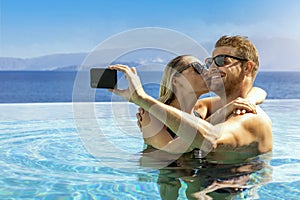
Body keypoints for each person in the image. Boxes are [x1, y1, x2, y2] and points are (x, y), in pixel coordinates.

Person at [108, 35, 272, 163]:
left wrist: (142, 99)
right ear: (176, 80)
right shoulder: (207, 107)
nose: (212, 68)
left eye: (221, 61)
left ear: (247, 67)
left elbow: (210, 138)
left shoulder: (247, 116)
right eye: (210, 62)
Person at [137, 55, 266, 154]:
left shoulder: (201, 109)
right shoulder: (152, 115)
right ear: (176, 80)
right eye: (198, 68)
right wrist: (225, 110)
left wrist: (248, 101)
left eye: (205, 68)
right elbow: (171, 152)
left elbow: (258, 92)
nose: (208, 72)